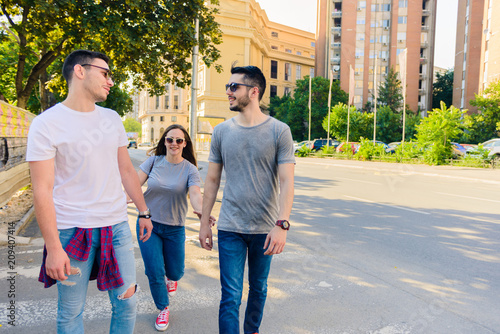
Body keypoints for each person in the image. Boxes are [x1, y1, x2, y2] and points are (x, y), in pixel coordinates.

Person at [26, 50, 153, 334]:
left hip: (116, 227)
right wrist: (54, 249)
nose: (110, 82)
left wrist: (144, 212)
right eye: (105, 74)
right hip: (72, 231)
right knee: (71, 313)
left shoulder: (112, 119)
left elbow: (126, 171)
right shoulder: (46, 124)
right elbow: (42, 191)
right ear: (80, 71)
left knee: (127, 303)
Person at [199, 65, 295, 334]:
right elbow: (212, 181)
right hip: (230, 227)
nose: (228, 91)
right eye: (228, 86)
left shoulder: (279, 131)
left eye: (234, 87)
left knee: (259, 288)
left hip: (265, 229)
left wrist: (282, 224)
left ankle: (251, 330)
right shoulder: (221, 131)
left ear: (253, 92)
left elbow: (287, 181)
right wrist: (204, 222)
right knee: (230, 295)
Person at [135, 124, 215, 331]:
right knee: (154, 270)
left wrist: (202, 212)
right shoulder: (153, 162)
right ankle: (163, 308)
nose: (174, 144)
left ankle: (173, 279)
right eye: (170, 139)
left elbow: (196, 194)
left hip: (174, 228)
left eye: (179, 140)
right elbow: (134, 185)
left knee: (176, 271)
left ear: (185, 144)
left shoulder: (189, 169)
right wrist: (118, 200)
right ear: (164, 141)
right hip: (148, 224)